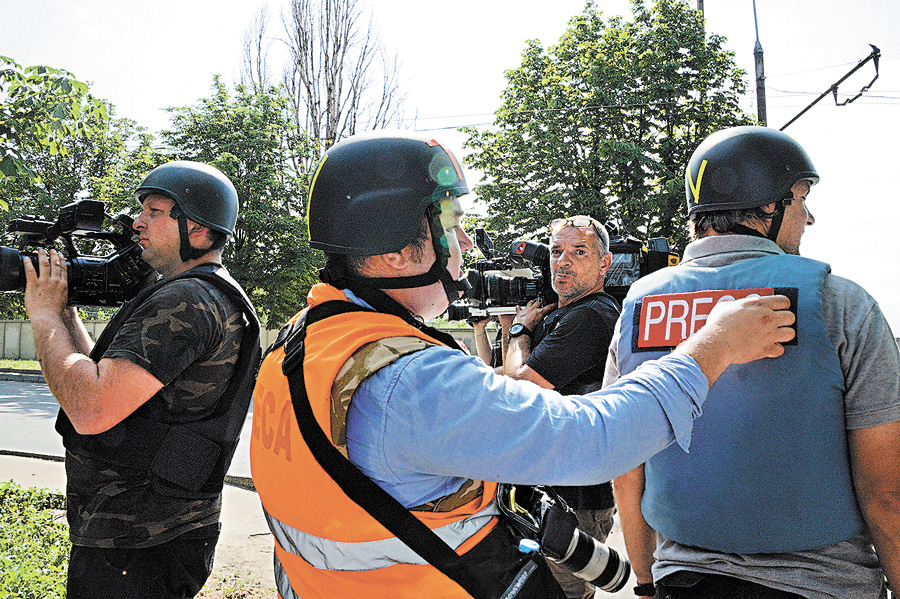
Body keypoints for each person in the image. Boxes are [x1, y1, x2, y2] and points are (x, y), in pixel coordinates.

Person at [249, 132, 796, 599]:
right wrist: (714, 346)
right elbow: (593, 439)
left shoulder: (303, 343)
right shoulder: (407, 380)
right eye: (450, 221)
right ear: (394, 248)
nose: (464, 241)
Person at [608, 126, 900, 599]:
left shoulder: (640, 306)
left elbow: (627, 467)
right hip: (822, 584)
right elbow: (887, 493)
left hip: (682, 580)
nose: (808, 217)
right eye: (801, 199)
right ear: (770, 206)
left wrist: (645, 581)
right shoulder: (840, 303)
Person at [23, 161, 261, 599]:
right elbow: (97, 370)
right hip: (154, 532)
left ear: (199, 229)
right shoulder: (203, 292)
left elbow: (91, 407)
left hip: (138, 541)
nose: (137, 222)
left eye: (154, 211)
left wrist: (41, 315)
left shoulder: (186, 301)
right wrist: (62, 308)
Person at [503, 214, 620, 599]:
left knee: (564, 594)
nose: (563, 261)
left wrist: (519, 330)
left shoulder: (591, 316)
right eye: (556, 252)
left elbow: (517, 386)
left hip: (578, 496)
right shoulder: (563, 313)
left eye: (578, 252)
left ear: (604, 264)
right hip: (554, 484)